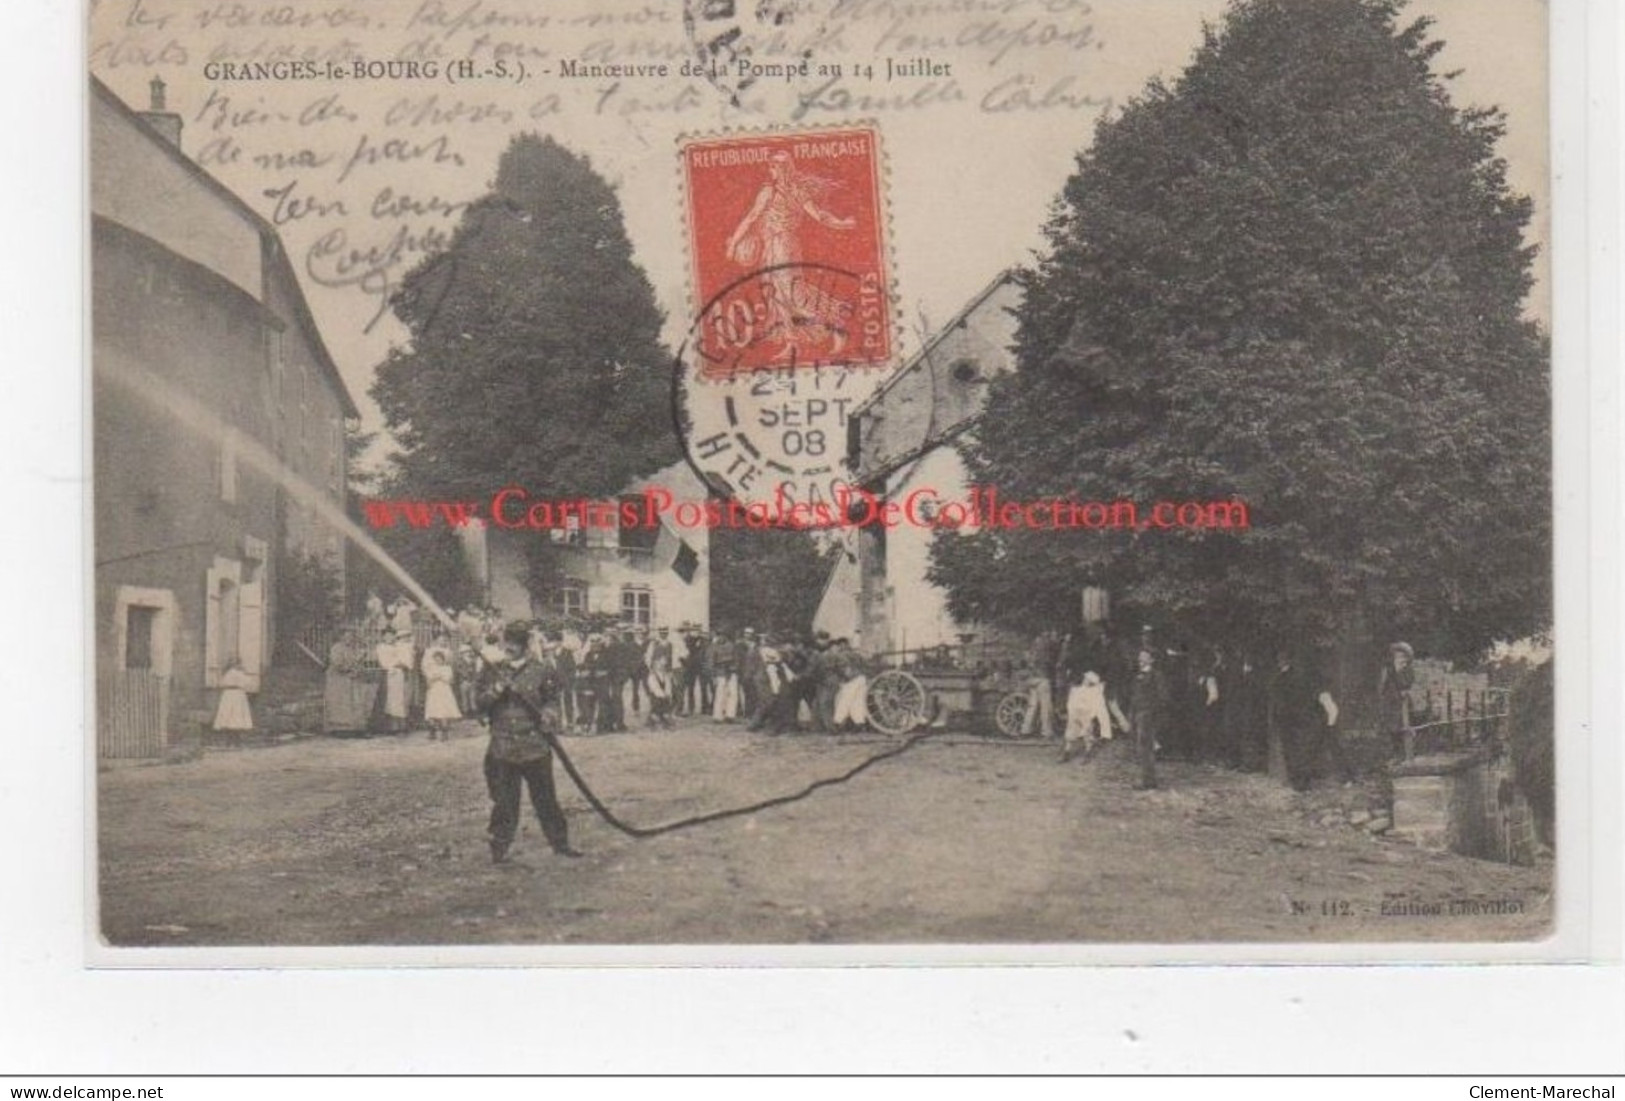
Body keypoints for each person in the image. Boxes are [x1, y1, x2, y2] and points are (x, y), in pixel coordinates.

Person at [476, 623, 580, 863]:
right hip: (502, 748)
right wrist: (497, 689)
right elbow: (478, 703)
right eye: (506, 642)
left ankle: (560, 843)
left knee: (545, 800)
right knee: (504, 802)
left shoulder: (542, 670)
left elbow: (553, 700)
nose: (509, 647)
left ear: (524, 646)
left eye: (514, 643)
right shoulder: (492, 671)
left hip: (535, 747)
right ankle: (499, 848)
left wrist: (549, 716)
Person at [1269, 650, 1349, 791]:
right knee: (1306, 751)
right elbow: (1328, 704)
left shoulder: (1281, 678)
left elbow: (1277, 703)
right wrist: (1330, 722)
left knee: (1293, 751)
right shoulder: (1315, 679)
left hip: (1290, 721)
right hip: (1308, 721)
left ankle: (1298, 782)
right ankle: (1303, 781)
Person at [1128, 647, 1169, 790]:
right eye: (1140, 656)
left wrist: (1151, 713)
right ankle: (1146, 778)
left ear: (1152, 660)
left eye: (1144, 657)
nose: (1140, 659)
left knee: (1146, 748)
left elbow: (1163, 697)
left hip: (1147, 715)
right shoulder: (1138, 675)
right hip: (1136, 713)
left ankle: (1148, 781)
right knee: (1140, 747)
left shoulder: (1156, 675)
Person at [1060, 669, 1112, 763]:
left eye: (1087, 679)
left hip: (1086, 715)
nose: (1085, 680)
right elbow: (1071, 702)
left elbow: (1097, 705)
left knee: (1087, 735)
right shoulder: (1076, 689)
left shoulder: (1094, 692)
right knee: (1070, 734)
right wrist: (1070, 713)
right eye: (1085, 678)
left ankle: (1087, 754)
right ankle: (1066, 753)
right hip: (1075, 714)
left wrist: (1092, 715)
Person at [1376, 641, 1417, 760]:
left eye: (1403, 657)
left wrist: (1400, 674)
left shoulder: (1408, 670)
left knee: (1404, 728)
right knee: (1390, 729)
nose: (1401, 659)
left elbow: (1407, 685)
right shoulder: (1387, 671)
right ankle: (1392, 755)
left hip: (1403, 704)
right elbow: (1381, 688)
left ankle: (1404, 754)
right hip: (1390, 704)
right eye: (1398, 656)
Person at [829, 638, 870, 732]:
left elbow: (844, 669)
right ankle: (859, 723)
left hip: (851, 680)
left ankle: (837, 723)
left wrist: (843, 679)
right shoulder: (856, 654)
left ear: (841, 645)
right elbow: (866, 665)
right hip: (862, 678)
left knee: (844, 701)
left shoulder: (841, 655)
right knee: (857, 701)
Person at [377, 629, 413, 734]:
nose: (389, 638)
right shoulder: (381, 647)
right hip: (390, 674)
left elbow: (407, 660)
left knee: (401, 699)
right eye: (387, 636)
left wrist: (403, 664)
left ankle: (402, 725)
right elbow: (384, 662)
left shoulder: (399, 646)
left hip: (400, 674)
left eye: (391, 636)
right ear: (383, 637)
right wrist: (396, 663)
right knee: (391, 700)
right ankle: (392, 726)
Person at [212, 659, 256, 747]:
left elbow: (221, 683)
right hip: (237, 695)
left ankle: (229, 741)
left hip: (228, 694)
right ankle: (236, 741)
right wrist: (245, 672)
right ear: (237, 664)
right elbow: (249, 683)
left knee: (228, 715)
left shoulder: (226, 674)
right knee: (237, 716)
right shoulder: (239, 673)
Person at [422, 646, 461, 741]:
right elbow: (429, 681)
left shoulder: (447, 668)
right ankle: (432, 731)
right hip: (434, 691)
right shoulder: (431, 669)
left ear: (443, 660)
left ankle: (444, 732)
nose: (438, 661)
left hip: (444, 691)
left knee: (443, 711)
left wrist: (438, 676)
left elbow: (448, 679)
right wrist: (434, 677)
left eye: (440, 659)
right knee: (432, 710)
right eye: (436, 659)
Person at [645, 626, 676, 729]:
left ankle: (663, 717)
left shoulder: (670, 644)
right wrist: (651, 668)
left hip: (665, 671)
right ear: (659, 633)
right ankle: (653, 718)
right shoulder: (654, 644)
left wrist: (670, 671)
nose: (663, 634)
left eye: (665, 633)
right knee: (656, 696)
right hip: (655, 670)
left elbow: (671, 658)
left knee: (667, 694)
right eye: (662, 632)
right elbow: (648, 657)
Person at [709, 630, 739, 721]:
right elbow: (711, 661)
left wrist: (733, 668)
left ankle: (730, 715)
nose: (721, 637)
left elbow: (736, 659)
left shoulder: (732, 646)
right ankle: (718, 715)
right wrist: (713, 675)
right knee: (720, 694)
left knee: (732, 693)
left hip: (731, 672)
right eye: (719, 635)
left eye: (723, 635)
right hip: (720, 672)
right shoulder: (714, 647)